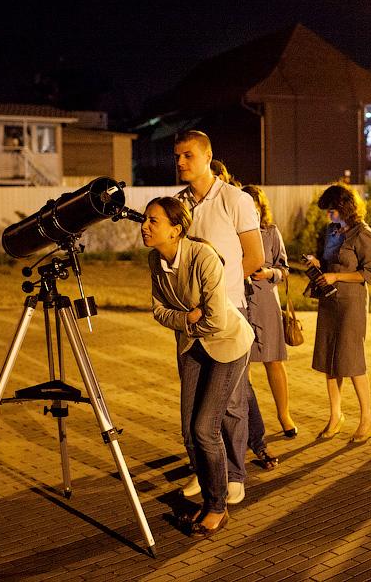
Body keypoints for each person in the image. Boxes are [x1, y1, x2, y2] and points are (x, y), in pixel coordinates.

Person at [142, 197, 253, 538]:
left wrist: (187, 323)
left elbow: (218, 320)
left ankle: (217, 508)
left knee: (206, 428)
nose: (144, 226)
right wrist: (187, 319)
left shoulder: (202, 257)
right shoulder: (154, 259)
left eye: (153, 221)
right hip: (192, 346)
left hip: (228, 345)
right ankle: (209, 495)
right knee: (189, 432)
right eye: (145, 220)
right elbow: (158, 310)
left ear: (175, 230)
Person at [174, 130, 267, 503]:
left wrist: (216, 295)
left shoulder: (235, 199)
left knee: (230, 401)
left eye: (188, 155)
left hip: (227, 313)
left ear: (209, 156)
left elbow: (255, 258)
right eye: (177, 156)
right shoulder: (178, 204)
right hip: (189, 319)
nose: (180, 162)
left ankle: (235, 474)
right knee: (194, 400)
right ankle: (205, 470)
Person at [307, 184, 371, 442]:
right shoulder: (332, 231)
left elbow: (370, 273)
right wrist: (318, 264)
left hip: (351, 302)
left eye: (333, 210)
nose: (329, 216)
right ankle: (335, 415)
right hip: (329, 301)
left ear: (346, 208)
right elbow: (329, 263)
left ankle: (367, 417)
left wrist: (337, 275)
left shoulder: (363, 234)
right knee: (329, 357)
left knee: (352, 358)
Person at [240, 185, 298, 438]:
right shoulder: (234, 233)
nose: (251, 211)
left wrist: (269, 273)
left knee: (274, 360)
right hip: (241, 301)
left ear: (261, 207)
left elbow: (284, 268)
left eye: (255, 206)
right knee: (243, 365)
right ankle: (248, 421)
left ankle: (284, 414)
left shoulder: (271, 232)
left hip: (266, 302)